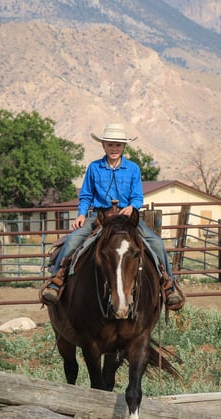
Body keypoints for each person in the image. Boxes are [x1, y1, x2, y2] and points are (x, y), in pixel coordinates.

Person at [41, 122, 183, 309]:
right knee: (73, 240)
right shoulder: (94, 167)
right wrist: (82, 214)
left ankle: (168, 284)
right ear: (103, 145)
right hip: (100, 216)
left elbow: (137, 196)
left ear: (124, 146)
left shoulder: (133, 169)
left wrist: (132, 207)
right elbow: (85, 195)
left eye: (117, 145)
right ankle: (56, 280)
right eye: (110, 144)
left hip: (126, 218)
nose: (114, 148)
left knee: (156, 243)